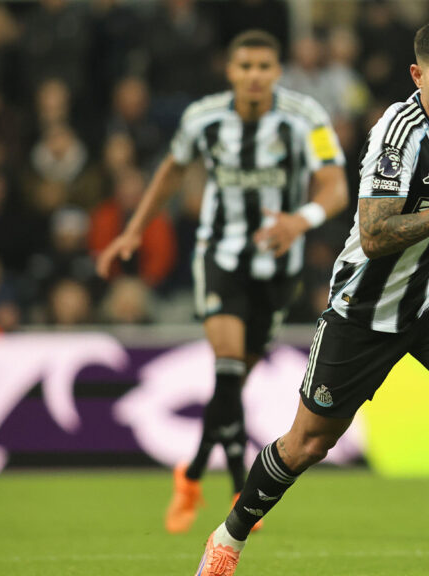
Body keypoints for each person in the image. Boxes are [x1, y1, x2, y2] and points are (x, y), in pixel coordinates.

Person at [193, 19, 429, 576]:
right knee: (306, 443)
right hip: (366, 308)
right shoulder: (395, 135)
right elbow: (373, 234)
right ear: (418, 76)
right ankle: (226, 541)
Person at [94, 30, 349, 534]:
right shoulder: (202, 118)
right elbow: (170, 171)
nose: (254, 76)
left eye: (263, 67)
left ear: (277, 73)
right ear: (230, 72)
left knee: (230, 385)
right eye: (245, 66)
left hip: (279, 266)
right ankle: (238, 483)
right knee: (229, 368)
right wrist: (133, 231)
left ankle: (190, 473)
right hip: (220, 258)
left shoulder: (305, 118)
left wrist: (301, 220)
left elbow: (336, 186)